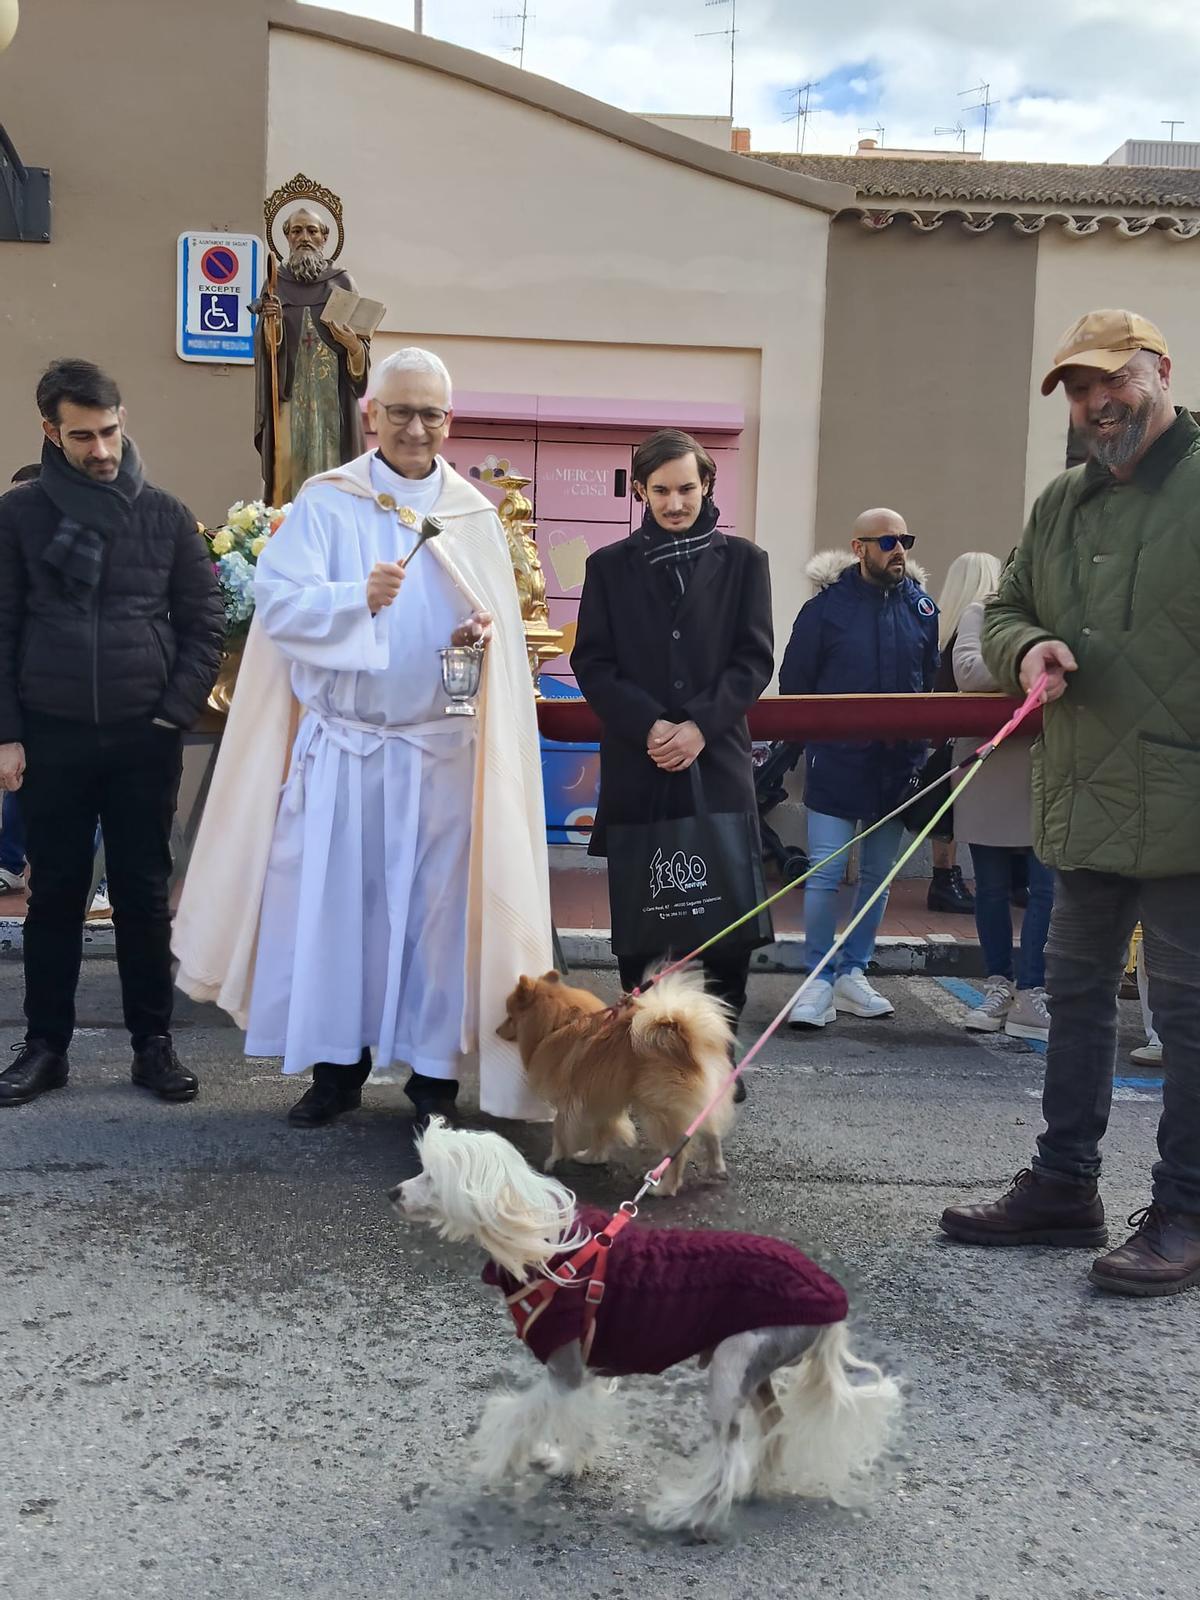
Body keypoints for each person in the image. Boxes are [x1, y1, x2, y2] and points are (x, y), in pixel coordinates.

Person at [172, 348, 553, 1129]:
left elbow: (504, 647)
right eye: (402, 411)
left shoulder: (474, 515)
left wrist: (477, 635)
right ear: (371, 414)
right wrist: (357, 598)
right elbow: (279, 607)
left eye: (433, 414)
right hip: (347, 751)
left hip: (442, 756)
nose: (418, 428)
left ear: (451, 421)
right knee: (340, 912)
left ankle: (434, 1084)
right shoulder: (326, 502)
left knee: (437, 923)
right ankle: (338, 1072)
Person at [940, 309, 1200, 1297]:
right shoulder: (1058, 504)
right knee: (1075, 997)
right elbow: (1003, 607)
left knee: (1187, 1013)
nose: (1099, 405)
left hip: (1189, 798)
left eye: (1113, 382)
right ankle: (1063, 1185)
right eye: (1081, 391)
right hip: (1084, 791)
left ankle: (1185, 1207)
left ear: (1160, 371)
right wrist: (1026, 649)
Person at [0, 360, 223, 1109]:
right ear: (49, 432)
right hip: (51, 735)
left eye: (110, 430)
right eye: (83, 435)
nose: (101, 448)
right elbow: (0, 629)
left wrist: (172, 711)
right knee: (55, 894)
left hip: (141, 737)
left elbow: (204, 623)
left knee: (141, 893)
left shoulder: (163, 514)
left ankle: (152, 1046)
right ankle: (44, 1047)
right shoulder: (19, 515)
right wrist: (7, 735)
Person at [571, 428, 774, 1099]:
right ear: (640, 492)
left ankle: (718, 1058)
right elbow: (592, 664)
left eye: (686, 487)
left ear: (707, 485)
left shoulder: (745, 561)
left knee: (727, 929)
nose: (675, 501)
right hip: (638, 763)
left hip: (715, 764)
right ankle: (648, 1053)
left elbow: (753, 661)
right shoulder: (607, 566)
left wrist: (698, 727)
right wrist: (651, 724)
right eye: (661, 490)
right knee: (641, 926)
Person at [779, 509, 939, 1028]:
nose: (899, 549)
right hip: (837, 760)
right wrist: (812, 740)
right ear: (859, 547)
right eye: (888, 540)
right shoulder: (824, 610)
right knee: (825, 872)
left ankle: (853, 973)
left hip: (898, 766)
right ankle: (817, 978)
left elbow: (928, 682)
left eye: (905, 539)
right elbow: (795, 685)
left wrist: (920, 747)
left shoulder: (921, 608)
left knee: (879, 876)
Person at [943, 553, 1054, 1042]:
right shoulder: (980, 613)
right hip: (988, 762)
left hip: (1049, 765)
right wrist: (1031, 662)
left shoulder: (1065, 615)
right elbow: (968, 673)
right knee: (988, 886)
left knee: (1047, 887)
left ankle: (1033, 992)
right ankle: (998, 984)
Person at [252, 207, 371, 503]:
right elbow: (268, 352)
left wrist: (352, 345)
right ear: (287, 238)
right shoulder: (275, 283)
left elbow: (361, 355)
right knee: (289, 478)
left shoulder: (342, 283)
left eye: (312, 231)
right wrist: (274, 325)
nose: (304, 237)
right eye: (296, 231)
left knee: (333, 472)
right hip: (291, 401)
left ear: (325, 237)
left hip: (333, 403)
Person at [925, 559, 978, 917]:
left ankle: (943, 877)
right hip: (960, 737)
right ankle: (945, 879)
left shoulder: (943, 629)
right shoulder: (969, 632)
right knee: (952, 814)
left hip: (938, 736)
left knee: (946, 815)